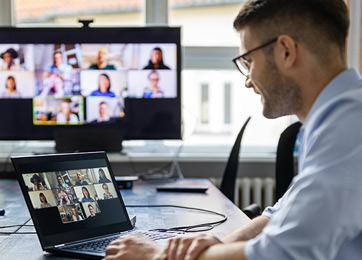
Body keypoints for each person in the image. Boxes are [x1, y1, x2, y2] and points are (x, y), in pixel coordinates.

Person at [105, 1, 362, 260]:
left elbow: (284, 252)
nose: (248, 80)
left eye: (249, 61)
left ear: (286, 51)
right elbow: (283, 213)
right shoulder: (336, 119)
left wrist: (157, 256)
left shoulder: (350, 129)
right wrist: (216, 244)